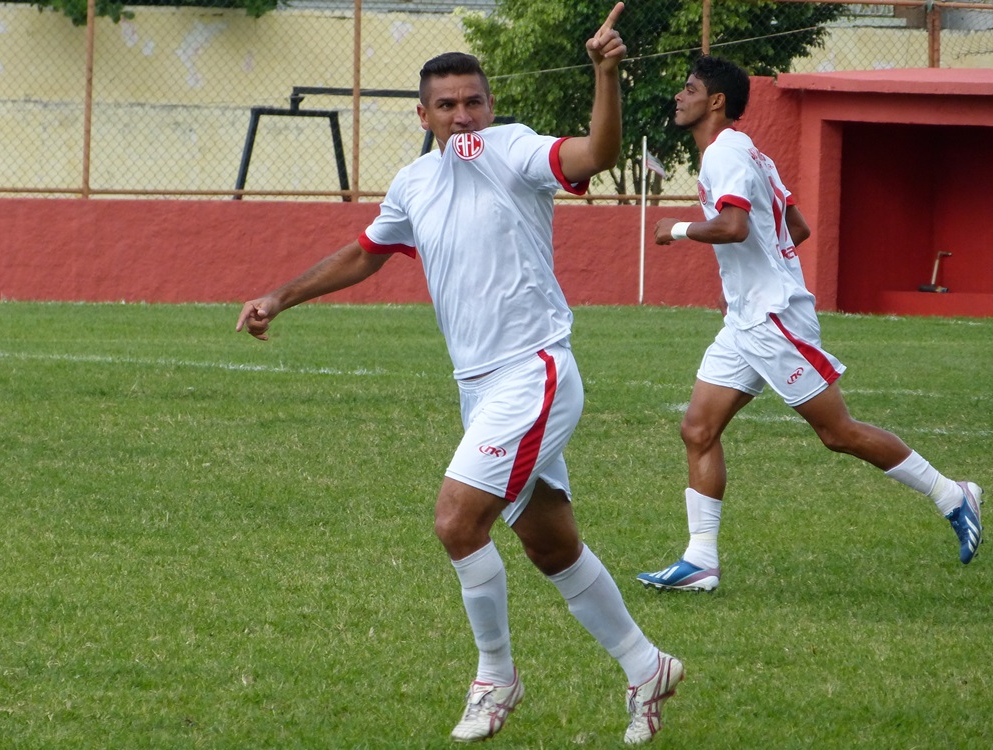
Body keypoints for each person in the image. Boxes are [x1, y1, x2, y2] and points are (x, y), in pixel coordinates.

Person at [237, 4, 684, 744]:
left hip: (534, 372)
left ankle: (495, 677)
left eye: (473, 100)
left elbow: (595, 155)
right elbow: (365, 253)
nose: (462, 115)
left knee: (455, 521)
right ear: (424, 113)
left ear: (491, 105)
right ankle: (646, 665)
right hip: (479, 387)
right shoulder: (415, 182)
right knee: (549, 543)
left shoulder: (511, 149)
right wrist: (280, 295)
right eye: (446, 105)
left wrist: (606, 76)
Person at [637, 55, 983, 593]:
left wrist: (676, 229)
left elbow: (731, 226)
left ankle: (952, 494)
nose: (679, 97)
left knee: (836, 432)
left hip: (772, 320)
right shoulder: (748, 149)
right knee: (698, 429)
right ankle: (700, 560)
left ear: (717, 101)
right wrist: (765, 272)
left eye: (689, 88)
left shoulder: (724, 153)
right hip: (748, 319)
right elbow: (794, 226)